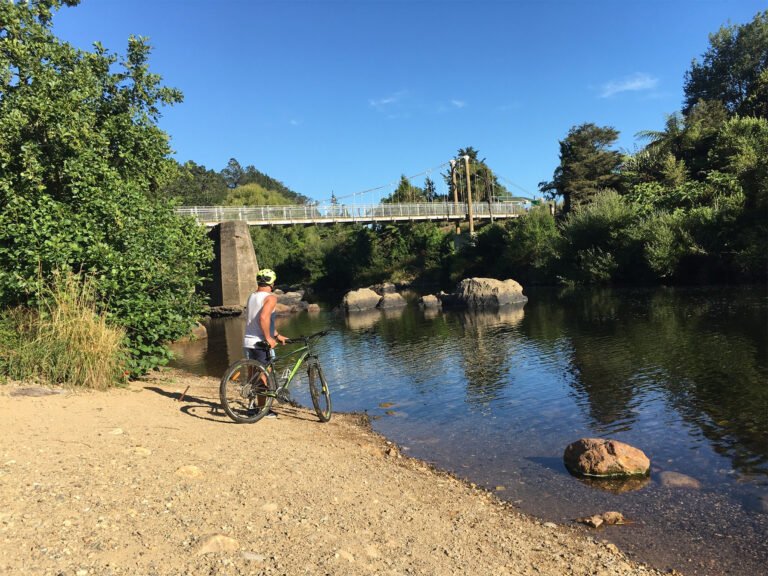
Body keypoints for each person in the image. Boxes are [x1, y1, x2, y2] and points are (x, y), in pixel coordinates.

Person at [243, 268, 288, 417]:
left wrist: (277, 335)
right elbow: (263, 318)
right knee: (263, 377)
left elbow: (256, 319)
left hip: (248, 341)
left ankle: (251, 407)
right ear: (272, 282)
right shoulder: (271, 298)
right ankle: (263, 410)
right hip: (260, 343)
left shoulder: (252, 296)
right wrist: (269, 338)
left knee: (252, 376)